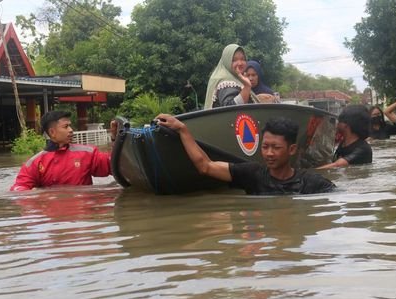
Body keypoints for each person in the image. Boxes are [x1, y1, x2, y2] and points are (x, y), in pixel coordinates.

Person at [156, 113, 335, 195]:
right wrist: (182, 130)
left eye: (276, 148)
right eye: (265, 147)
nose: (269, 153)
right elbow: (205, 166)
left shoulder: (312, 183)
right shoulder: (252, 174)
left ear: (292, 150)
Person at [10, 111, 116, 191]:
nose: (71, 130)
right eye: (66, 126)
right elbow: (19, 189)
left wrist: (116, 138)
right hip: (53, 217)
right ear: (52, 132)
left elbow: (116, 165)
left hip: (82, 216)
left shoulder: (87, 153)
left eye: (70, 126)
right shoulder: (35, 163)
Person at [204, 44, 259, 110]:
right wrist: (247, 87)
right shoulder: (225, 80)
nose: (240, 63)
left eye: (243, 59)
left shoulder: (236, 79)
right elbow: (230, 109)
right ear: (227, 61)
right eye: (234, 60)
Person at [318, 105, 372, 169]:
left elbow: (337, 165)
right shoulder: (343, 143)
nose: (337, 123)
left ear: (346, 125)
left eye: (339, 120)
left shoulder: (363, 149)